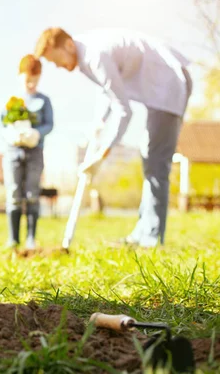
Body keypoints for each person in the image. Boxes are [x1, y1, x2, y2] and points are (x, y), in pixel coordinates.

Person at [34, 27, 193, 247]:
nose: (58, 66)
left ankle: (151, 237)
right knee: (150, 158)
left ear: (68, 45)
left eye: (56, 60)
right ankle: (143, 233)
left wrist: (103, 153)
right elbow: (108, 92)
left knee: (156, 162)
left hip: (169, 83)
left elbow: (124, 110)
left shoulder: (95, 54)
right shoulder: (85, 58)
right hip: (158, 88)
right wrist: (99, 124)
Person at [2, 54, 54, 251]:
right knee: (14, 192)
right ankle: (13, 239)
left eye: (35, 80)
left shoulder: (44, 101)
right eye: (27, 80)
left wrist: (36, 133)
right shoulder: (11, 101)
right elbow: (3, 124)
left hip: (35, 152)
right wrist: (11, 135)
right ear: (20, 76)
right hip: (13, 151)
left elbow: (49, 124)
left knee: (32, 193)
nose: (31, 84)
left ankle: (31, 238)